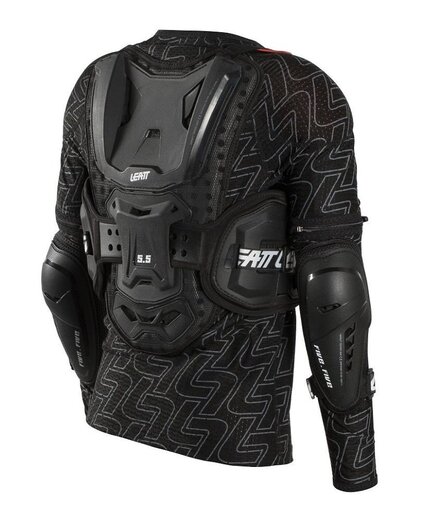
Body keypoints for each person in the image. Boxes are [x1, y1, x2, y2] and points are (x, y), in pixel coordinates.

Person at [41, 30, 377, 491]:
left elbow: (64, 270)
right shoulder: (300, 89)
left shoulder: (93, 84)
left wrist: (92, 391)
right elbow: (333, 290)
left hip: (111, 423)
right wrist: (355, 465)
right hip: (236, 428)